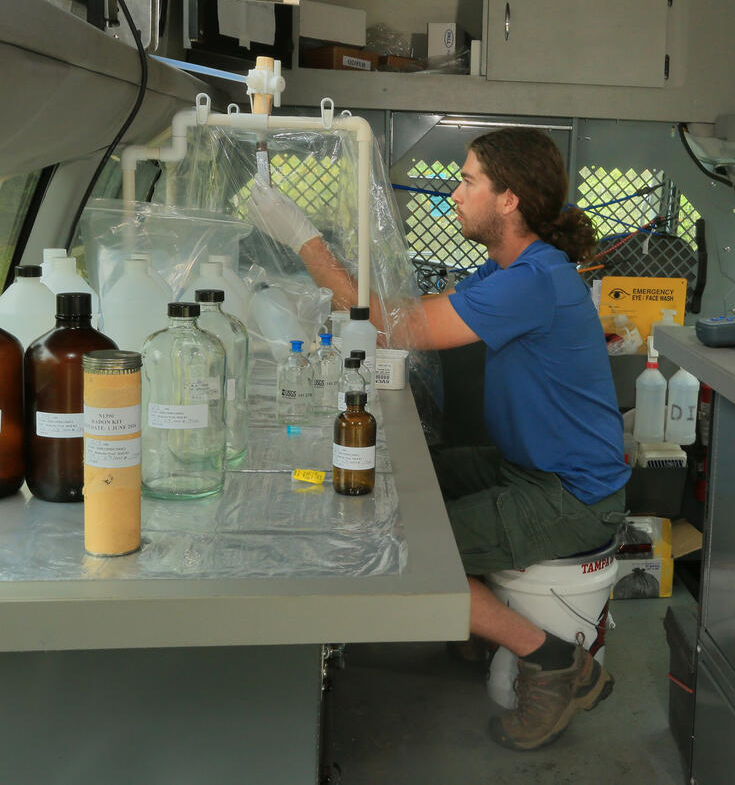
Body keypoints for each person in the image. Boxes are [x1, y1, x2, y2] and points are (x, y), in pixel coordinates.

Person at [247, 127, 629, 750]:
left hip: (573, 495)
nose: (454, 193)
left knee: (405, 542)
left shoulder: (532, 281)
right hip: (528, 468)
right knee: (405, 481)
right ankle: (475, 623)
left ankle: (554, 660)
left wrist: (303, 241)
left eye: (468, 180)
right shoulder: (509, 268)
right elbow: (410, 309)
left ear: (508, 199)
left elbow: (396, 327)